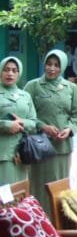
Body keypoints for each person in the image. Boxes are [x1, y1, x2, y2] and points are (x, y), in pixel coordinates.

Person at [23, 49, 77, 216]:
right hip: (39, 147)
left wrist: (69, 129)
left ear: (63, 67)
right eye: (49, 64)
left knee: (59, 186)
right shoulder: (33, 86)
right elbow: (25, 115)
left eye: (56, 65)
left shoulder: (71, 88)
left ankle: (57, 223)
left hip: (62, 147)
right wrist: (43, 126)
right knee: (39, 186)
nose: (52, 68)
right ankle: (39, 220)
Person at [0, 57, 37, 185]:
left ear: (18, 73)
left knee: (20, 194)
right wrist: (7, 125)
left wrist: (22, 123)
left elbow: (33, 122)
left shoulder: (25, 96)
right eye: (6, 70)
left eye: (14, 70)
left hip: (22, 153)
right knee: (4, 197)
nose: (10, 73)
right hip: (3, 154)